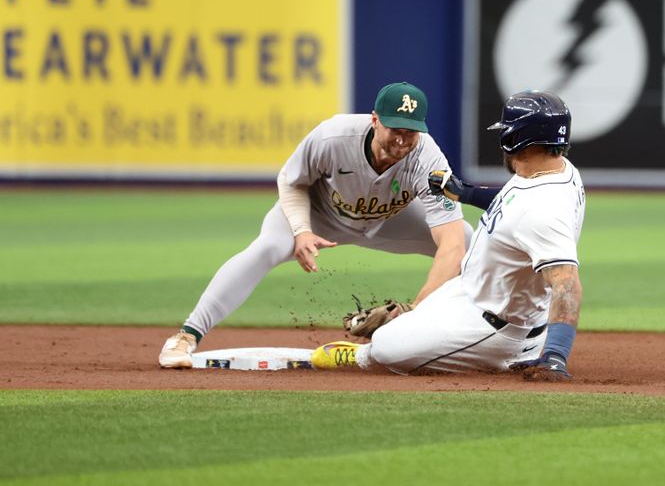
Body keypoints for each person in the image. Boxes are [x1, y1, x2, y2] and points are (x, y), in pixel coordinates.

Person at [159, 82, 472, 368]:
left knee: (469, 242)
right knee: (267, 247)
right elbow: (291, 181)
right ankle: (186, 336)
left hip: (388, 221)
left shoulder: (428, 159)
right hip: (319, 214)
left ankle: (488, 336)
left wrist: (413, 313)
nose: (403, 140)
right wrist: (300, 230)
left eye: (411, 131)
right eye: (394, 129)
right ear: (375, 120)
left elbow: (452, 244)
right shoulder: (333, 137)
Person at [310, 91, 585, 381]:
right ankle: (509, 343)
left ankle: (363, 357)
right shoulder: (556, 171)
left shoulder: (542, 211)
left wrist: (554, 357)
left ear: (515, 139)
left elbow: (567, 283)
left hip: (494, 324)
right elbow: (513, 203)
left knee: (386, 347)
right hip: (475, 294)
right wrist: (465, 192)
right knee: (411, 317)